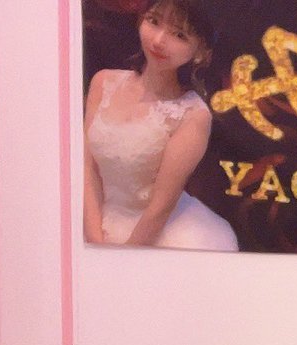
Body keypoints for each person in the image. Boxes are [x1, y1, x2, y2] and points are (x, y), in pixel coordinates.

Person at [84, 0, 238, 250]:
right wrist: (93, 240)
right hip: (92, 218)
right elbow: (88, 170)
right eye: (154, 21)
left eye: (179, 35)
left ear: (201, 51)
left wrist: (117, 260)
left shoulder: (193, 115)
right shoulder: (103, 82)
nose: (158, 40)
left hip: (152, 235)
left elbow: (160, 208)